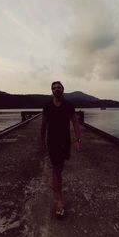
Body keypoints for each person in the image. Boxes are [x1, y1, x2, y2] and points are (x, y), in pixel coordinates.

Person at [41, 81, 81, 218]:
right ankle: (59, 200)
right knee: (57, 169)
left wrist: (77, 140)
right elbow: (43, 125)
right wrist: (41, 141)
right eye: (54, 88)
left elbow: (75, 122)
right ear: (51, 90)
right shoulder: (47, 106)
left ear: (63, 89)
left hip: (65, 142)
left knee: (59, 168)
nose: (57, 89)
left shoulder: (69, 105)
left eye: (59, 87)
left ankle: (57, 192)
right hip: (52, 142)